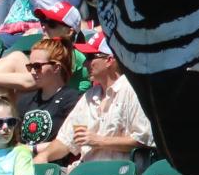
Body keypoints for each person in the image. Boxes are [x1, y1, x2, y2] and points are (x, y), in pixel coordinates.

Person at [55, 31, 151, 164]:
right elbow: (65, 141)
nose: (84, 64)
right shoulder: (90, 95)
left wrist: (98, 140)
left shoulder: (132, 90)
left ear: (109, 60)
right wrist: (41, 156)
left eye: (89, 57)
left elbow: (143, 140)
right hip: (85, 174)